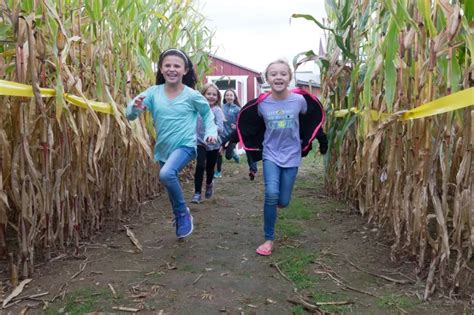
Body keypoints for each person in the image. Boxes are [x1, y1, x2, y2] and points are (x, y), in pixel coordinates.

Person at [236, 59, 328, 256]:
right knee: (271, 194)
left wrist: (320, 138)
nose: (278, 77)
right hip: (271, 153)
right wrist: (229, 142)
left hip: (292, 154)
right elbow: (248, 124)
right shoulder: (262, 105)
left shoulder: (299, 101)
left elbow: (310, 119)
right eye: (274, 74)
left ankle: (277, 202)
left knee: (283, 201)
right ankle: (268, 239)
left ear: (290, 78)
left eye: (283, 74)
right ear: (267, 78)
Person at [126, 48, 217, 239]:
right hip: (163, 148)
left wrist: (210, 131)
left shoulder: (192, 95)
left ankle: (183, 213)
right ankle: (179, 214)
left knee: (166, 174)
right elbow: (130, 114)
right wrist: (134, 109)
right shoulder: (153, 93)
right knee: (169, 180)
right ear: (161, 68)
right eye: (167, 65)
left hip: (186, 145)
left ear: (185, 70)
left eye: (177, 66)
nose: (172, 69)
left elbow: (207, 114)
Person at [192, 83, 224, 203]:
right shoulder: (198, 109)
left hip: (214, 144)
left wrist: (212, 132)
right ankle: (197, 193)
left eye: (214, 95)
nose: (211, 96)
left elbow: (220, 129)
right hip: (200, 142)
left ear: (217, 97)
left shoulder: (217, 111)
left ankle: (209, 183)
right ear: (203, 95)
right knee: (200, 166)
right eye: (208, 94)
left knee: (210, 168)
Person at [215, 89, 241, 178]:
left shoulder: (237, 109)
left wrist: (237, 126)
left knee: (228, 156)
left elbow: (241, 122)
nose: (229, 97)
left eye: (231, 95)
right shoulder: (221, 107)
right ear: (225, 97)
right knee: (219, 152)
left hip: (232, 136)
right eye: (227, 95)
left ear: (234, 97)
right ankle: (218, 172)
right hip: (221, 135)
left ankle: (234, 155)